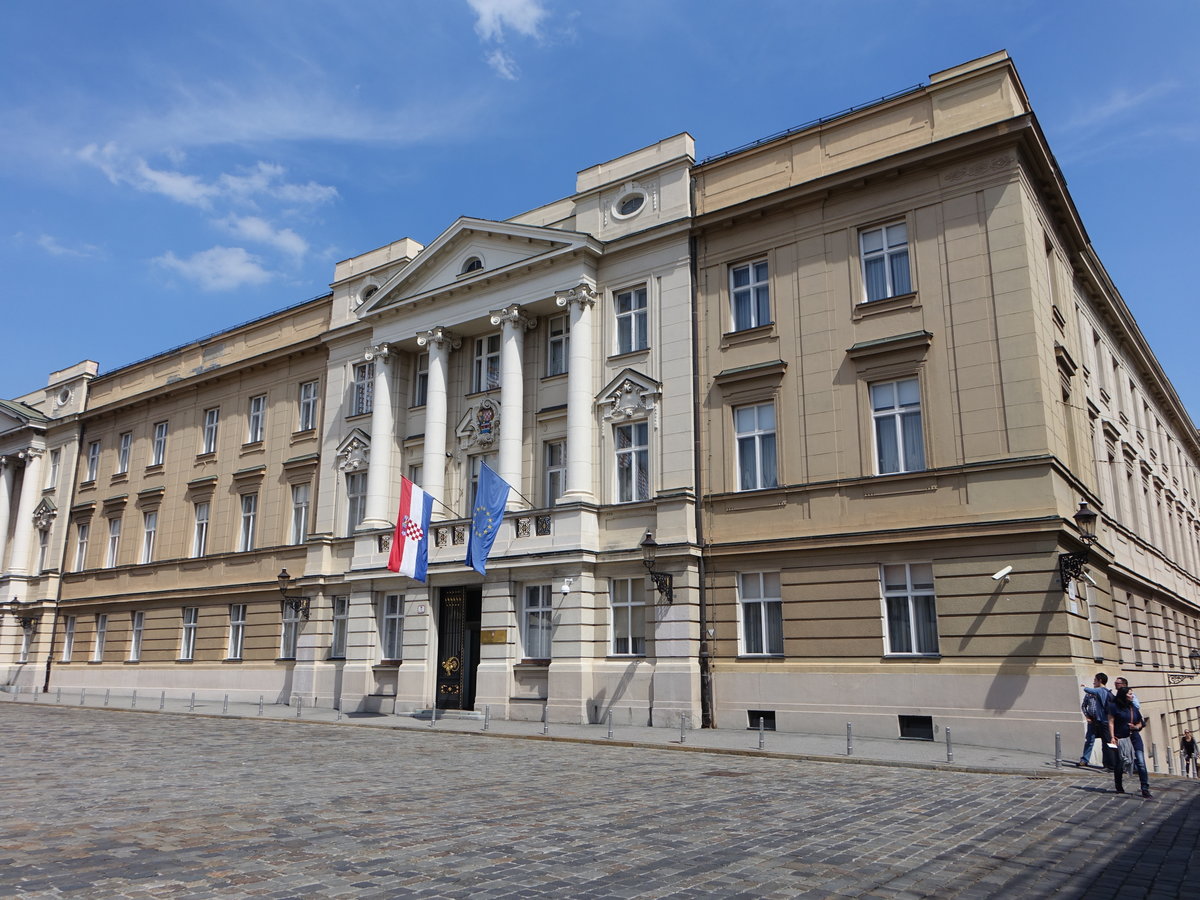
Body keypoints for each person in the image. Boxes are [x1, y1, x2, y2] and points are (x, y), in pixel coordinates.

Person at [1108, 685, 1151, 798]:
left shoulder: (1133, 708)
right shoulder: (1114, 707)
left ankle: (1145, 788)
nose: (1132, 696)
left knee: (1141, 762)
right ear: (1124, 695)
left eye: (1132, 694)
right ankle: (1119, 785)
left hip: (1134, 738)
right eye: (1130, 694)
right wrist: (1112, 737)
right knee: (1119, 763)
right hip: (1120, 739)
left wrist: (1136, 727)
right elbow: (1111, 722)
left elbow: (1141, 722)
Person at [1078, 673, 1112, 769]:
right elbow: (1084, 706)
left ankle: (1107, 763)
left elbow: (1087, 689)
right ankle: (1084, 760)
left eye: (1095, 680)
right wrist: (1087, 716)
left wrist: (1084, 687)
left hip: (1102, 721)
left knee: (1105, 742)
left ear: (1100, 681)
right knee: (1089, 740)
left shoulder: (1103, 692)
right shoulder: (1089, 695)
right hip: (1092, 720)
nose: (1093, 682)